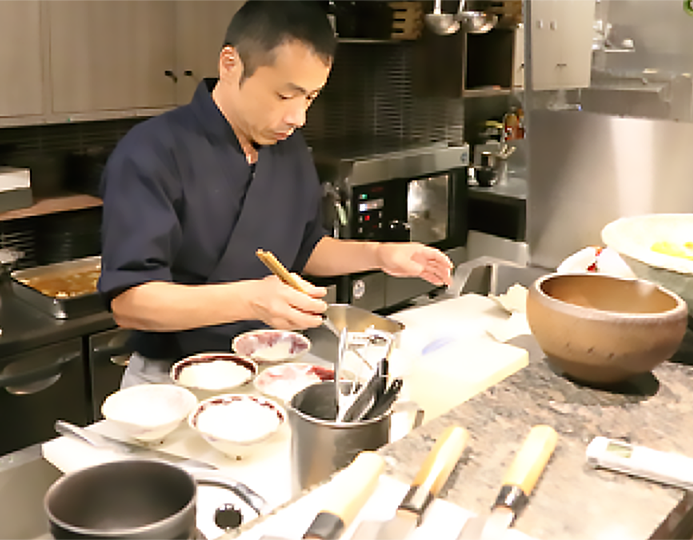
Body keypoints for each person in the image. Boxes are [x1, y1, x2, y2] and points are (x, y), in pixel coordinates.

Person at [99, 0, 453, 387]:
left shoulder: (287, 147)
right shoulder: (151, 152)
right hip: (172, 377)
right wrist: (251, 300)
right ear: (231, 65)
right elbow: (130, 302)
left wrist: (380, 254)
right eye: (285, 95)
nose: (298, 117)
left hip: (267, 363)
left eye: (310, 98)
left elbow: (305, 247)